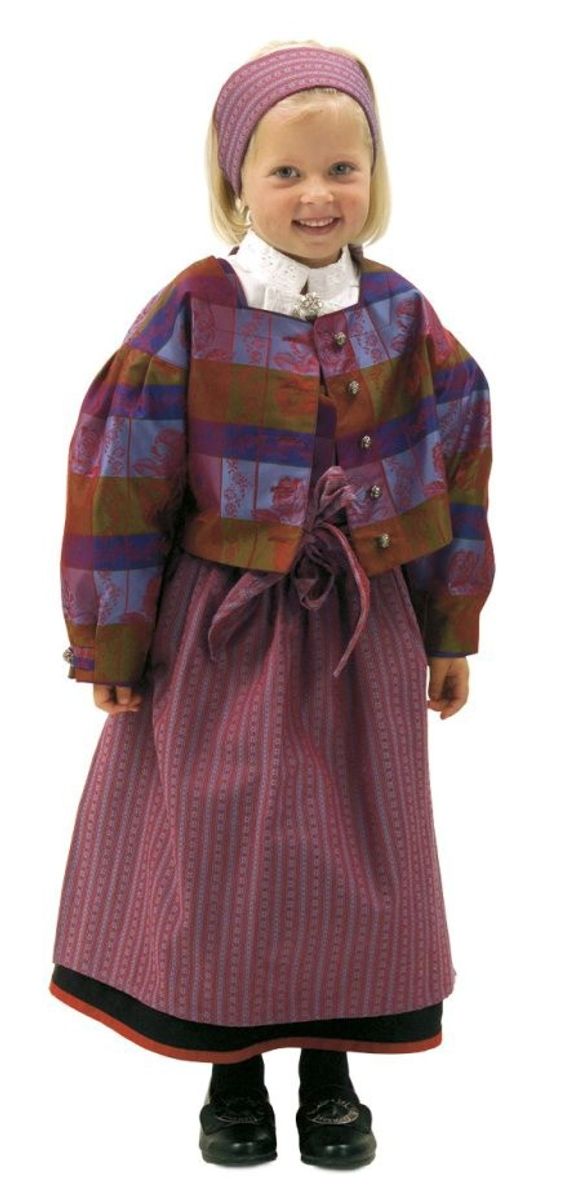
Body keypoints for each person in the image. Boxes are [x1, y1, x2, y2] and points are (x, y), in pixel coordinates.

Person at [49, 39, 495, 1171]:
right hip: (222, 631)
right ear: (235, 180)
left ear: (373, 174)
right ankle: (232, 1071)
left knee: (352, 850)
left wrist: (449, 626)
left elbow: (453, 467)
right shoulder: (193, 310)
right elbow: (120, 476)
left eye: (341, 168)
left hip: (362, 626)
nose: (315, 194)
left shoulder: (400, 315)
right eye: (285, 171)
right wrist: (111, 641)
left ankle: (331, 1072)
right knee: (226, 847)